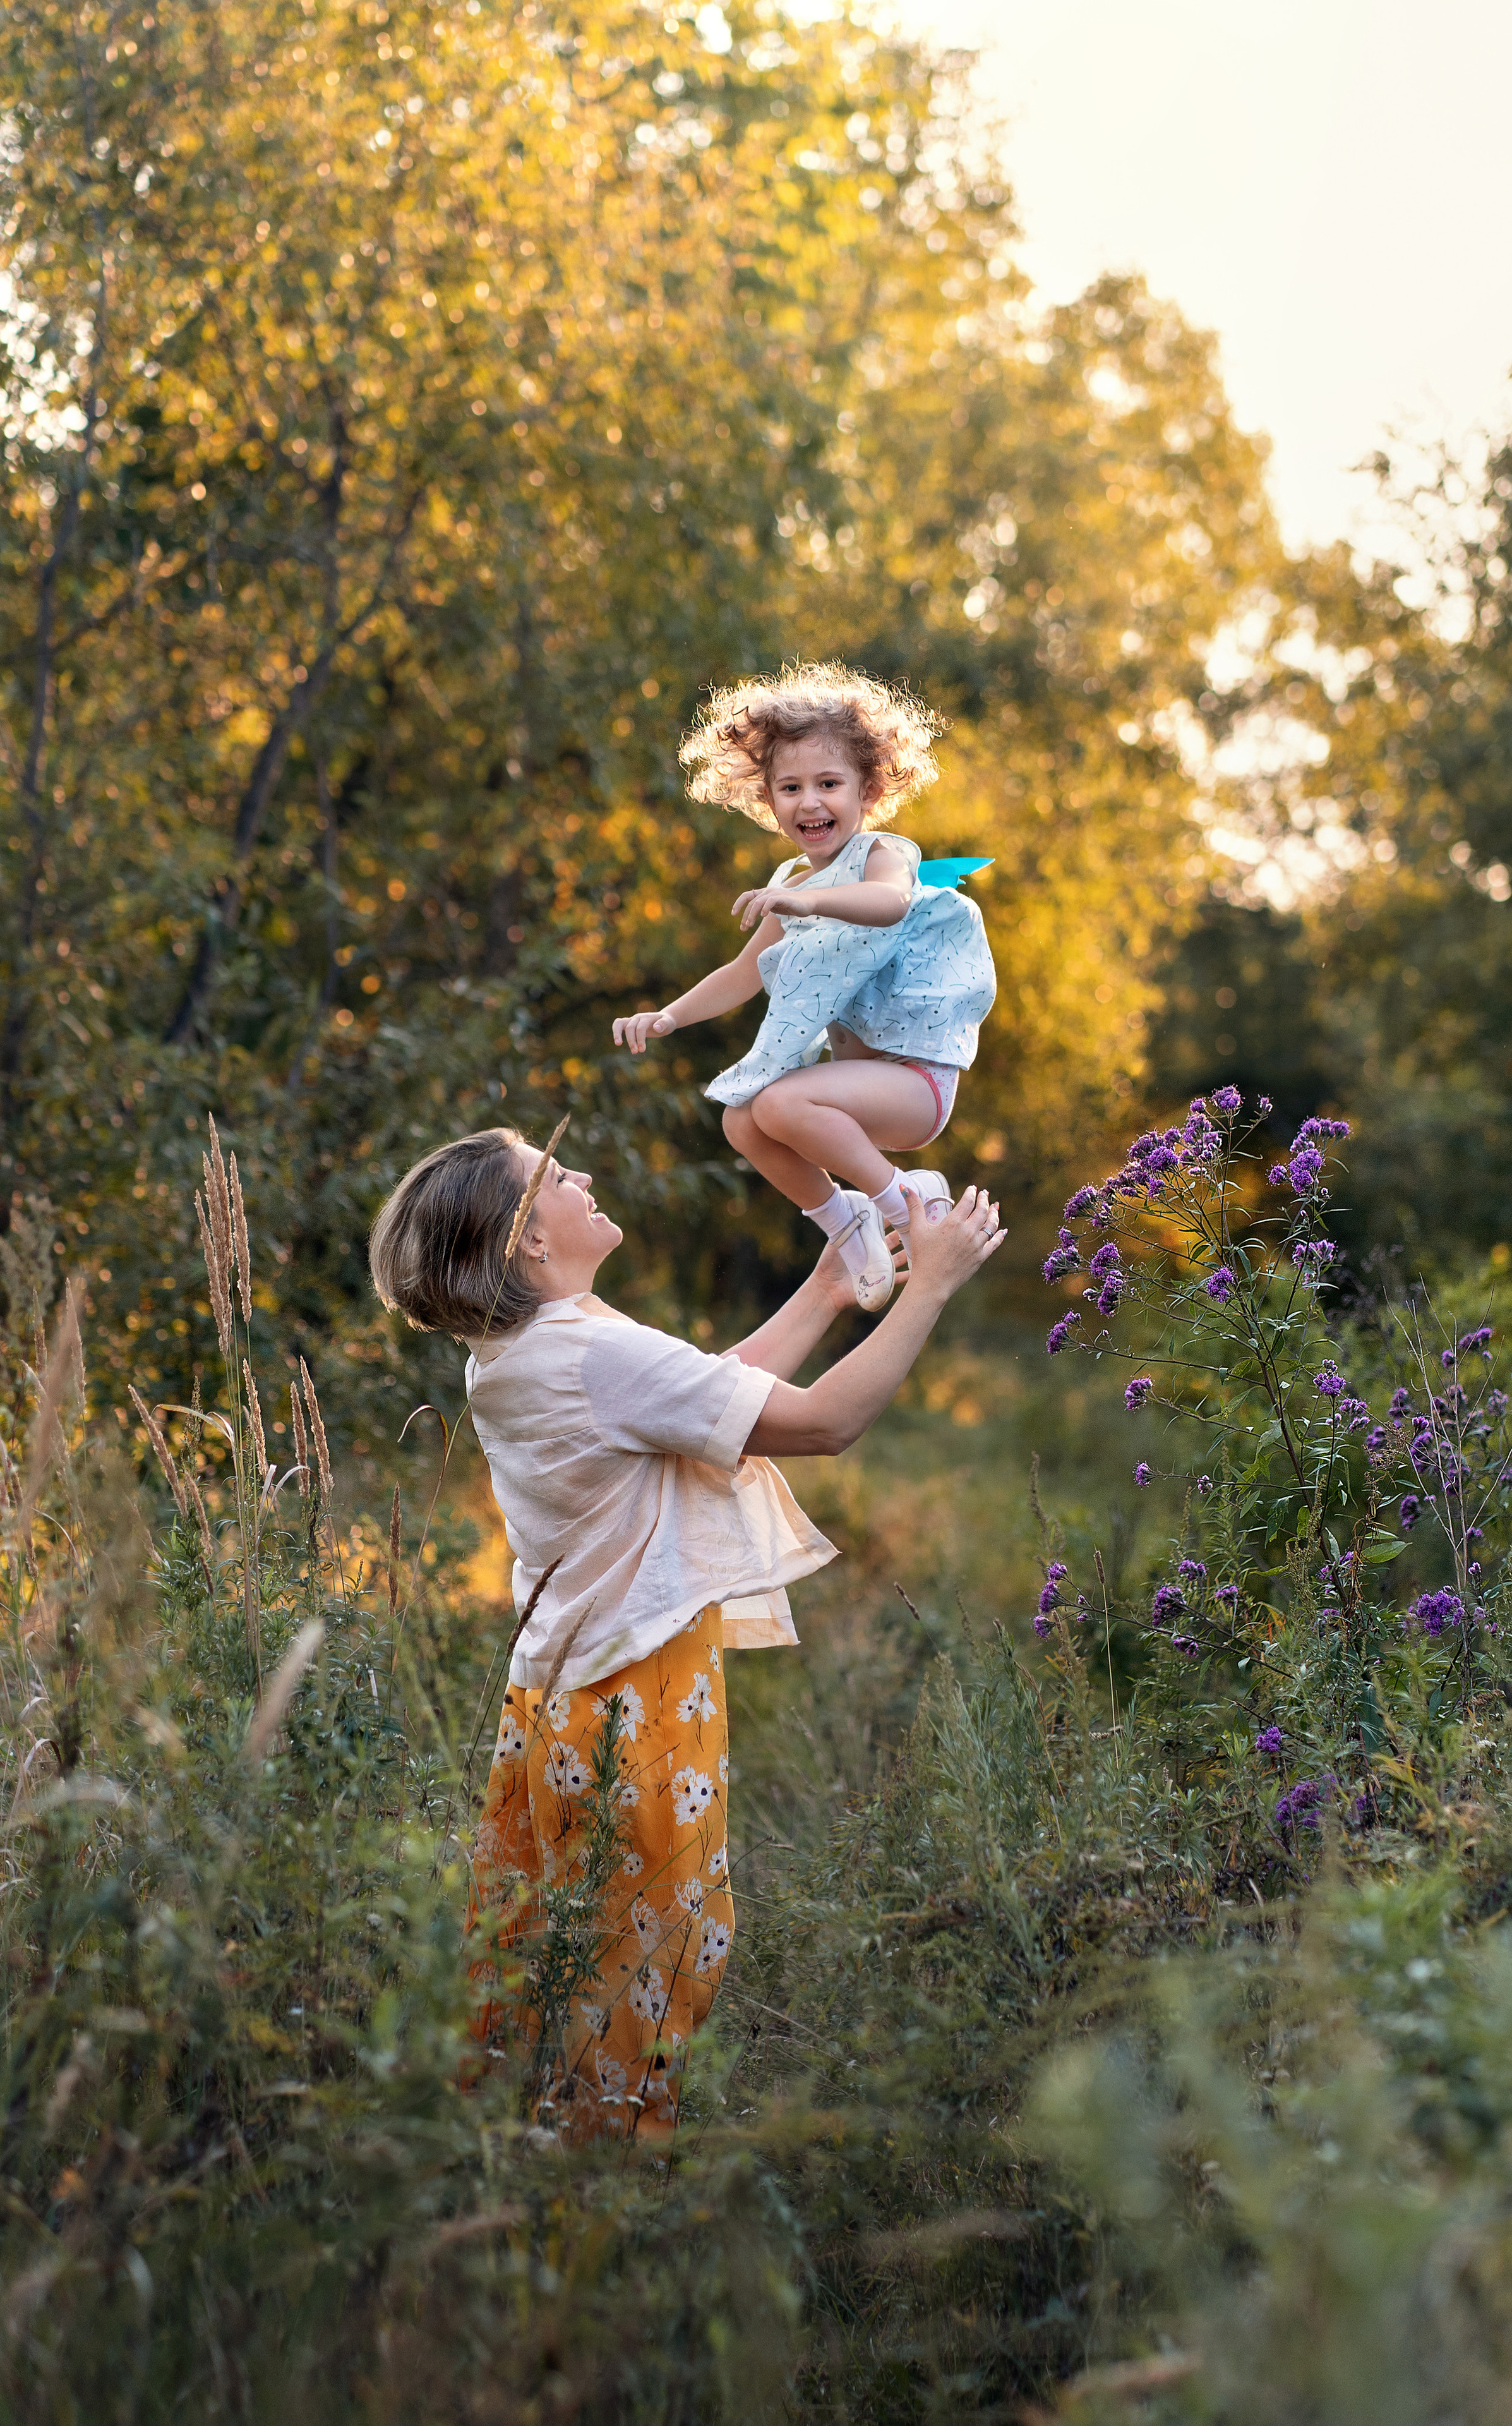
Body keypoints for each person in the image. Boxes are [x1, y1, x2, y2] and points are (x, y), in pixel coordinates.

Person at [368, 1123, 1004, 2142]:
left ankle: (511, 2199)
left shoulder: (522, 1353)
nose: (582, 1173)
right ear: (529, 1242)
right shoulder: (592, 1352)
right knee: (644, 1966)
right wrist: (931, 1283)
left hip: (554, 1710)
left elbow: (708, 1394)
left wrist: (835, 1289)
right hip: (636, 1705)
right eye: (554, 1175)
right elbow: (821, 1424)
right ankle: (603, 2222)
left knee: (549, 1963)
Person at [611, 662, 997, 1314]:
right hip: (859, 1095)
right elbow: (740, 976)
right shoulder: (790, 884)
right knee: (743, 1121)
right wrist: (668, 1017)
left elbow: (887, 904)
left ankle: (907, 1197)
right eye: (790, 787)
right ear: (767, 801)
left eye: (828, 783)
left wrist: (804, 902)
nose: (810, 802)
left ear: (867, 789)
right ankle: (849, 1228)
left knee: (781, 1106)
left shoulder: (883, 853)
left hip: (914, 1084)